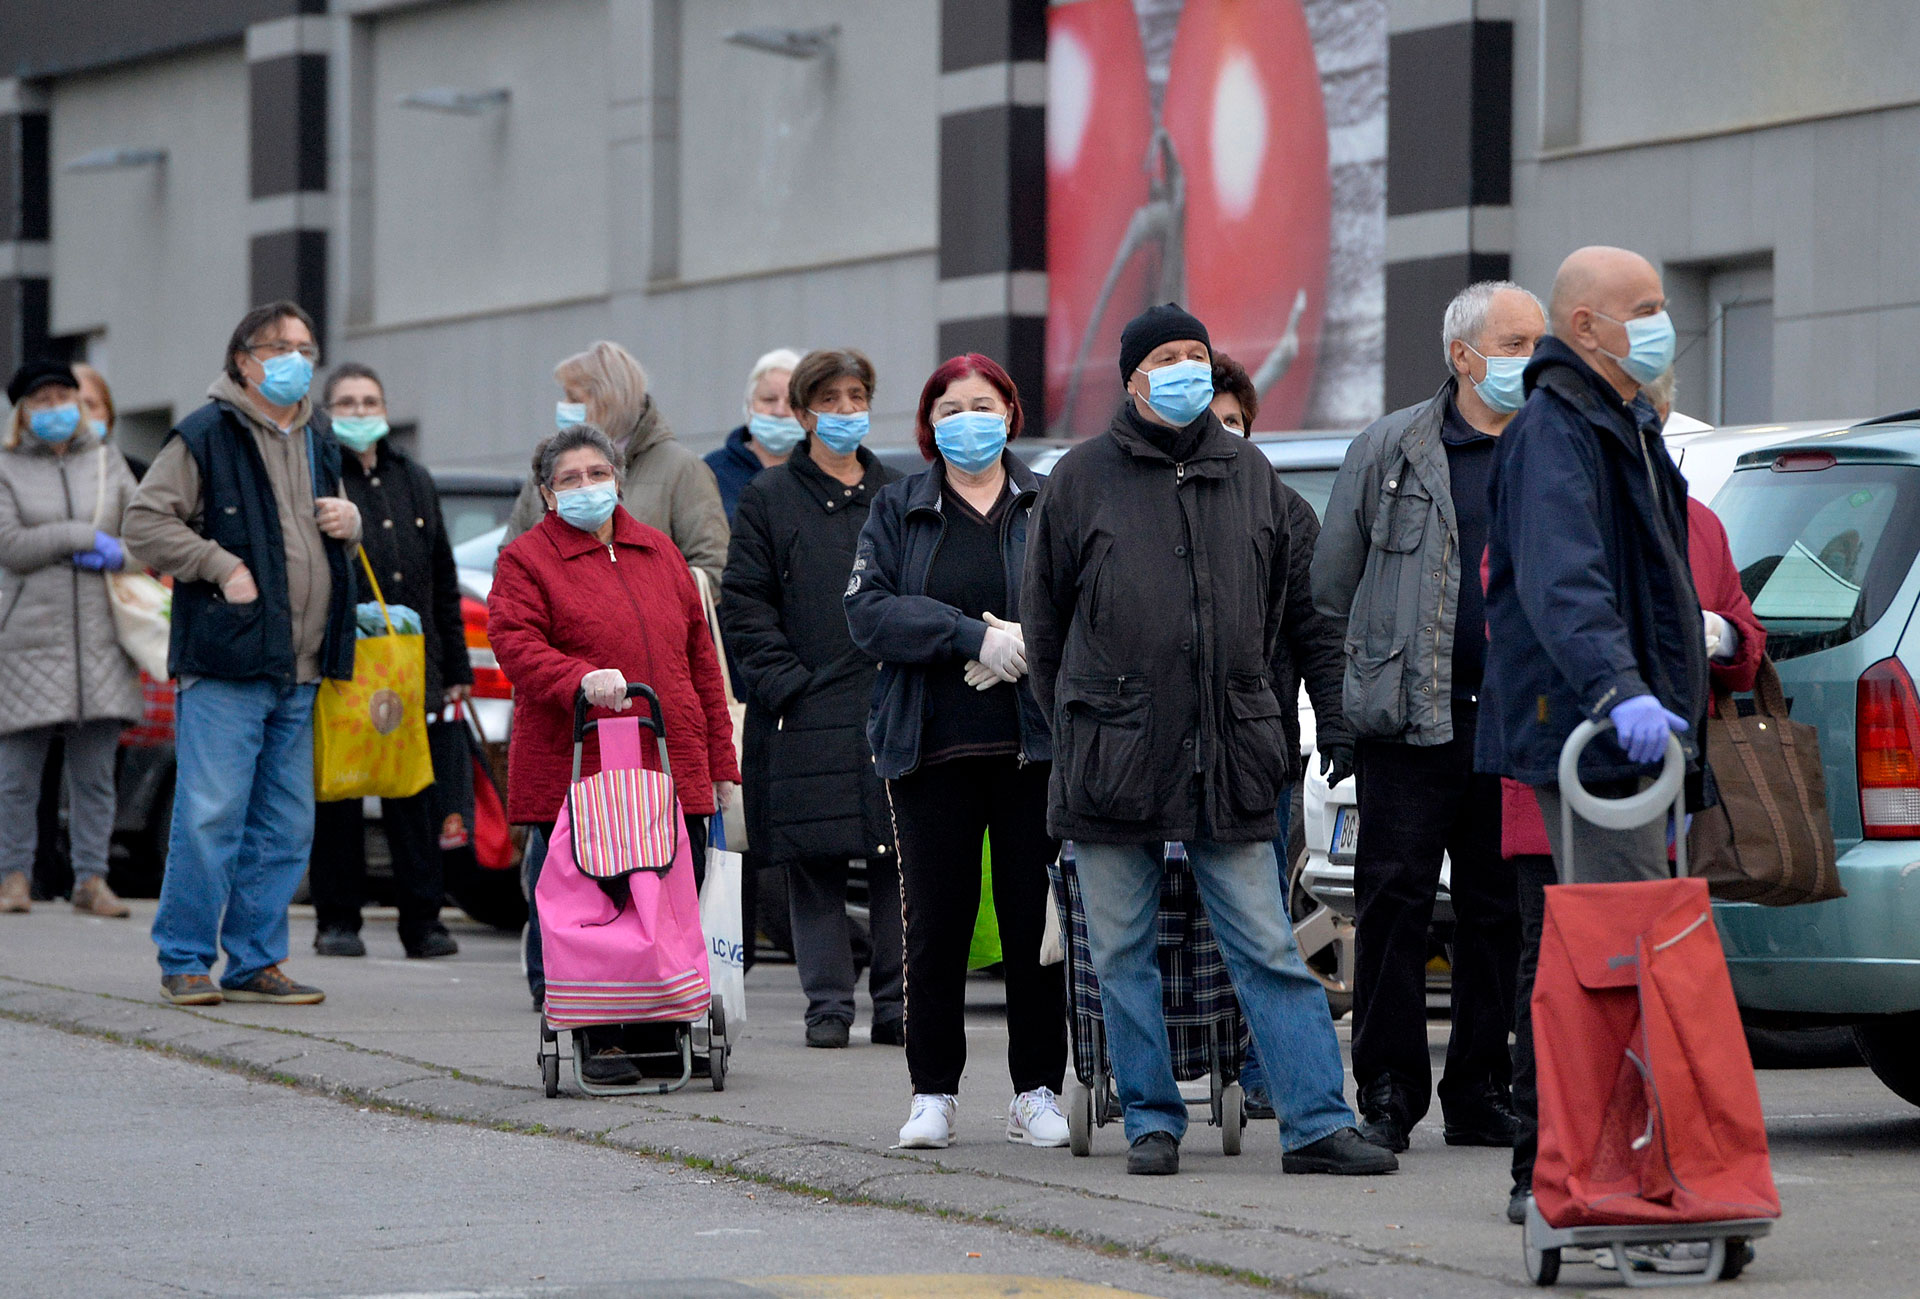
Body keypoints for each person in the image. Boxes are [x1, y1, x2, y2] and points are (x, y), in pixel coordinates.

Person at [1022, 302, 1395, 1177]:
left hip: (1231, 753)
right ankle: (1151, 1119)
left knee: (1266, 942)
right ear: (1134, 377)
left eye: (1199, 353)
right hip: (1112, 758)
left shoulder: (1252, 474)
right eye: (1170, 357)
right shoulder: (1079, 480)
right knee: (1119, 950)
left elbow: (1303, 611)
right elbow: (1045, 631)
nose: (1189, 369)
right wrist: (1085, 722)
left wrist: (1331, 715)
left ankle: (1314, 1121)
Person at [1497, 372, 1765, 1227]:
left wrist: (1717, 642)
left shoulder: (1679, 510)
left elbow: (1719, 625)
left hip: (1653, 766)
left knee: (1643, 969)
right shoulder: (1558, 463)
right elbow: (1557, 599)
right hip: (1586, 761)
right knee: (1584, 972)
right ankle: (1563, 1161)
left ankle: (1640, 1155)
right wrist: (1620, 690)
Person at [1477, 246, 1709, 1207]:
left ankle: (1584, 1158)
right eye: (1645, 308)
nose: (1662, 322)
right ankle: (1573, 1165)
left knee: (1608, 954)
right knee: (1604, 960)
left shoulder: (1621, 425)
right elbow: (1563, 576)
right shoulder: (1554, 432)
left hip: (1634, 741)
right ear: (1586, 327)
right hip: (1594, 739)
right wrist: (1619, 690)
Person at [1309, 281, 1544, 1153]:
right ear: (1463, 355)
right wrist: (1340, 722)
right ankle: (1389, 1090)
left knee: (1498, 915)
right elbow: (1328, 596)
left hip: (1515, 725)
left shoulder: (1547, 445)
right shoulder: (1391, 448)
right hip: (1407, 725)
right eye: (1516, 341)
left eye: (1537, 340)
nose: (1532, 355)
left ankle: (1480, 1090)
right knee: (1393, 905)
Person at [846, 353, 1067, 1148]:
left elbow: (1087, 605)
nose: (966, 419)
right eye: (949, 408)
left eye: (982, 404)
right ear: (929, 424)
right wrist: (969, 635)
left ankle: (1037, 1089)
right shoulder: (898, 506)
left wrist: (1025, 645)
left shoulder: (1047, 499)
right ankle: (932, 1090)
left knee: (1031, 926)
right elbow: (869, 614)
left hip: (1030, 749)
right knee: (934, 926)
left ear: (1010, 413)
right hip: (930, 749)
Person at [124, 300, 361, 1006]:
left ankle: (256, 958)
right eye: (280, 345)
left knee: (287, 823)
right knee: (210, 814)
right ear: (243, 360)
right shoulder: (205, 434)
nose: (296, 357)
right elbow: (143, 524)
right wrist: (217, 564)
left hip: (302, 665)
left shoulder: (320, 436)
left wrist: (350, 523)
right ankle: (185, 956)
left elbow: (322, 536)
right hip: (227, 662)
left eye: (305, 346)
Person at [487, 423, 740, 1085]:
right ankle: (600, 1034)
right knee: (595, 906)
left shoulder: (658, 553)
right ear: (546, 494)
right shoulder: (526, 560)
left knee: (665, 902)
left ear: (618, 479)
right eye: (567, 479)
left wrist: (719, 765)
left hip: (668, 761)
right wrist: (578, 677)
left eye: (596, 474)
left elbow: (701, 667)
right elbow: (515, 645)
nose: (585, 487)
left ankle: (658, 1026)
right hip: (582, 766)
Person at [719, 347, 904, 1049]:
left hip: (887, 703)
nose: (845, 412)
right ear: (801, 413)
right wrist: (785, 684)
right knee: (814, 860)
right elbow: (745, 604)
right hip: (802, 708)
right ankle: (827, 1002)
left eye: (857, 397)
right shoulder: (770, 497)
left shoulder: (895, 490)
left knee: (896, 859)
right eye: (829, 400)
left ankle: (897, 1001)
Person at [1207, 353, 1351, 1121]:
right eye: (1213, 418)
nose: (1226, 433)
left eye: (1237, 421)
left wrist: (1334, 719)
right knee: (1172, 931)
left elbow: (1320, 629)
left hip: (1257, 756)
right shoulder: (1156, 504)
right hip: (1155, 758)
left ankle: (1268, 1074)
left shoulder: (1288, 512)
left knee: (1266, 925)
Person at [306, 363, 468, 960]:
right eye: (345, 402)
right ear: (326, 413)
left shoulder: (414, 478)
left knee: (414, 795)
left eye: (369, 400)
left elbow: (443, 578)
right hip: (343, 659)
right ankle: (338, 921)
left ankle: (423, 923)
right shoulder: (317, 473)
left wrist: (454, 670)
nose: (359, 411)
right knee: (339, 793)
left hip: (409, 663)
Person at [0, 360, 143, 918]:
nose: (56, 407)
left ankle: (92, 878)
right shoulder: (6, 468)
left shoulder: (109, 462)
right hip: (25, 637)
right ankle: (13, 875)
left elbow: (145, 535)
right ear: (22, 411)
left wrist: (119, 551)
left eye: (65, 396)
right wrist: (84, 536)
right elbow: (11, 545)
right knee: (16, 775)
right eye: (42, 399)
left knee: (95, 774)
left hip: (102, 637)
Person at [502, 341, 729, 585]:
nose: (564, 407)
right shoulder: (548, 471)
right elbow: (509, 561)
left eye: (574, 398)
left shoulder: (681, 469)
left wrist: (648, 605)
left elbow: (713, 565)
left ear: (608, 402)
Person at [706, 348, 805, 522]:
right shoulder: (711, 471)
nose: (780, 411)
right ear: (749, 406)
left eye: (792, 402)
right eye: (769, 399)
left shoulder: (823, 470)